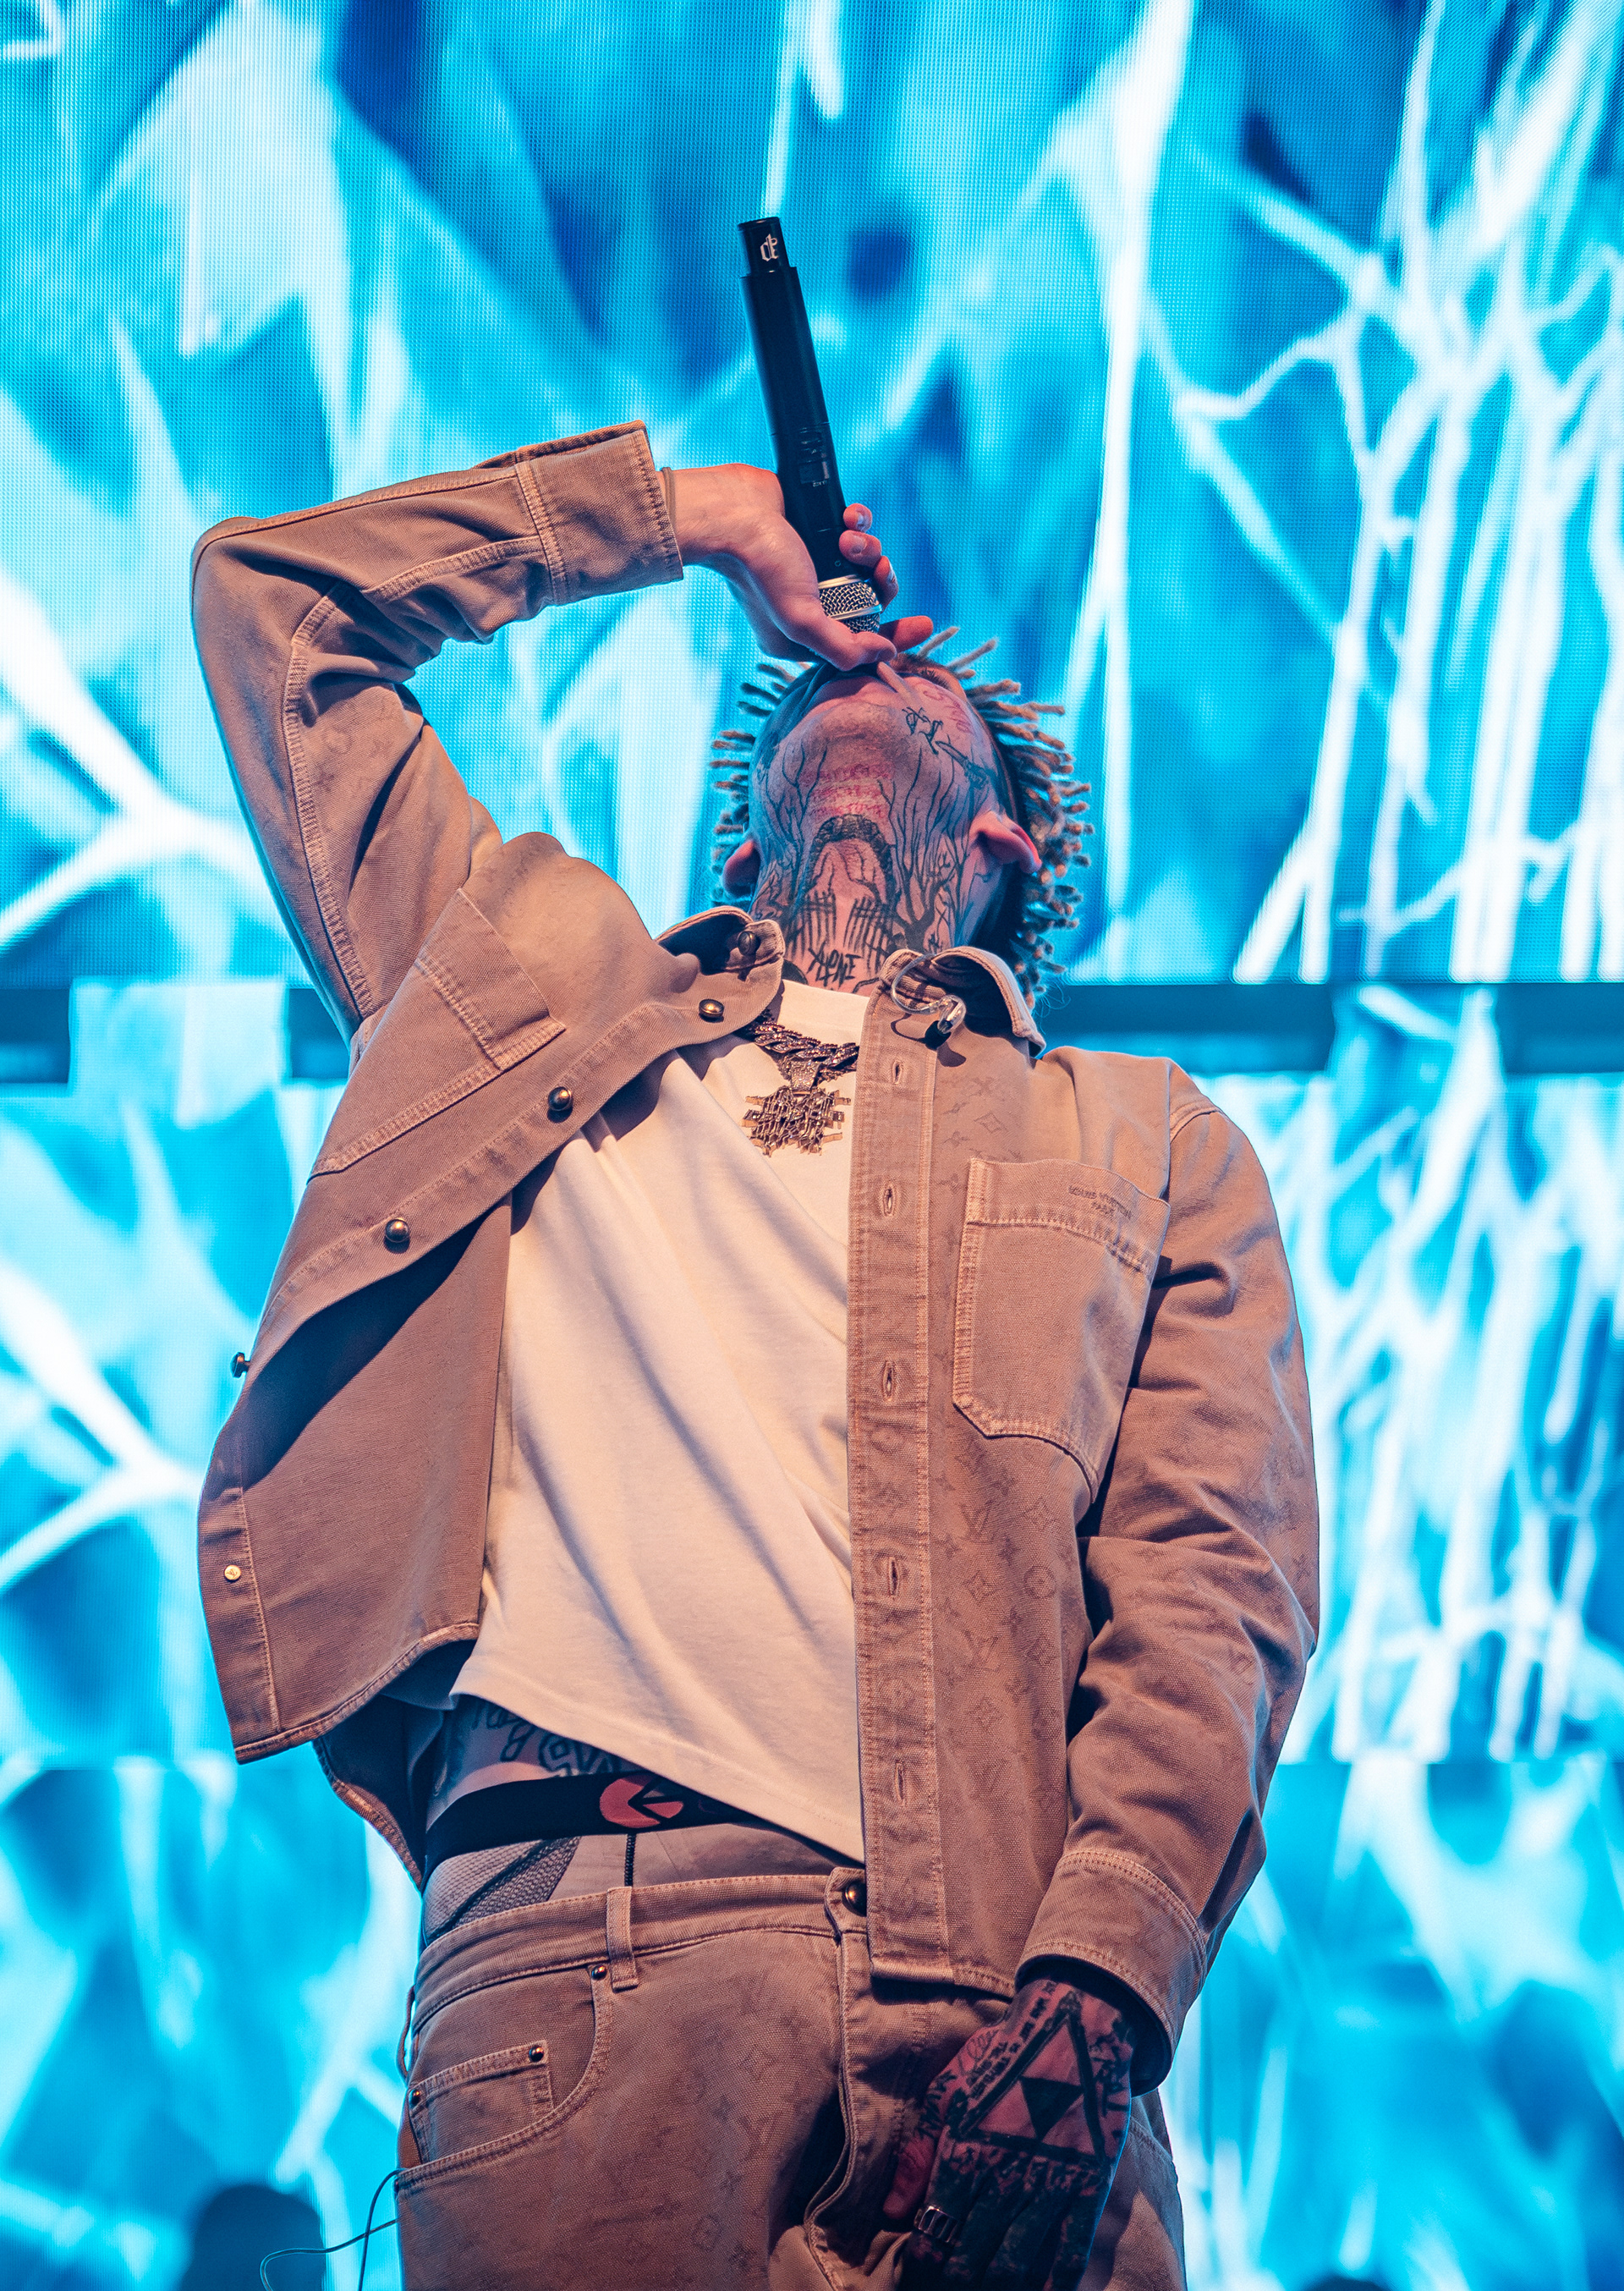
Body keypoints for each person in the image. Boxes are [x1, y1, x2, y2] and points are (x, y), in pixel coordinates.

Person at [191, 421, 1318, 2291]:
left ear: (1006, 842)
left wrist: (1105, 1995)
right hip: (583, 1967)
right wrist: (693, 519)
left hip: (1012, 2011)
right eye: (824, 685)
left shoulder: (1148, 1138)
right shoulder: (522, 990)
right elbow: (276, 609)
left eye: (926, 695)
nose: (873, 671)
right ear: (744, 828)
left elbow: (1216, 1590)